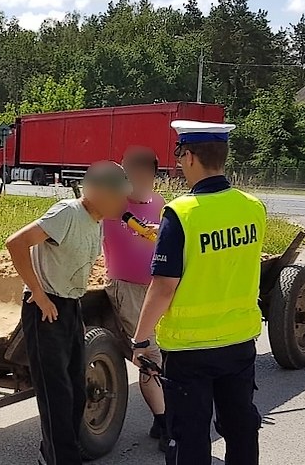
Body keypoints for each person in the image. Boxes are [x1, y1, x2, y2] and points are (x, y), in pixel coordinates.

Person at [131, 120, 266, 465]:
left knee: (189, 438)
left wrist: (141, 339)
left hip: (190, 351)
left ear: (190, 157)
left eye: (180, 156)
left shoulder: (180, 214)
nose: (178, 163)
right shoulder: (252, 207)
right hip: (238, 343)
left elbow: (163, 287)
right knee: (240, 429)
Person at [6, 161, 131, 465]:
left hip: (70, 307)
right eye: (120, 195)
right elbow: (16, 243)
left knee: (76, 390)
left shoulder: (97, 220)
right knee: (56, 395)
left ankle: (54, 454)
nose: (124, 202)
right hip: (46, 309)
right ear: (100, 192)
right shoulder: (67, 213)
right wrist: (38, 293)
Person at [101, 147, 168, 451]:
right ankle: (165, 423)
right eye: (131, 176)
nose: (138, 182)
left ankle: (164, 414)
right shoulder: (113, 205)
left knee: (164, 349)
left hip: (158, 287)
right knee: (148, 354)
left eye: (144, 175)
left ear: (154, 175)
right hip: (125, 288)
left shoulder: (160, 204)